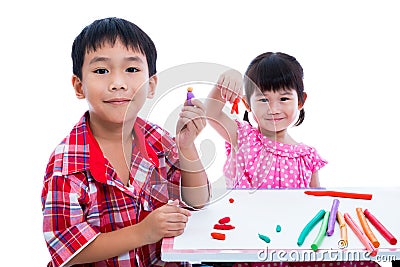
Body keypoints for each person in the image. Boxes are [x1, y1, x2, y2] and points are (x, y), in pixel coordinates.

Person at [41, 17, 210, 267]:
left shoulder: (158, 140)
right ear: (79, 86)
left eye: (131, 70)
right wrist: (144, 232)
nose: (117, 83)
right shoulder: (66, 164)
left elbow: (197, 201)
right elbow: (68, 251)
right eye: (101, 71)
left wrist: (186, 147)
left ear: (151, 85)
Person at [205, 52, 380, 267]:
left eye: (284, 98)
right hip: (251, 244)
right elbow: (211, 112)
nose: (274, 108)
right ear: (247, 104)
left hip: (297, 245)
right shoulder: (242, 137)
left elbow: (318, 206)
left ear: (300, 101)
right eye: (263, 99)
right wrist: (226, 79)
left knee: (362, 262)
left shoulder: (307, 156)